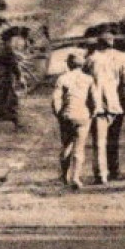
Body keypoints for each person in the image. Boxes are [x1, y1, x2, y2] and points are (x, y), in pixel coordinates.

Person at [86, 31, 125, 184]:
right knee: (113, 140)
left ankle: (100, 174)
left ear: (99, 43)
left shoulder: (90, 60)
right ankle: (114, 171)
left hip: (97, 106)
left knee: (99, 141)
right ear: (113, 43)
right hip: (117, 105)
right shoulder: (122, 58)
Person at [49, 52, 96, 189]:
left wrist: (59, 114)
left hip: (67, 115)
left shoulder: (62, 79)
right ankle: (76, 177)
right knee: (79, 148)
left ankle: (64, 176)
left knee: (66, 146)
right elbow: (94, 100)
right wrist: (91, 114)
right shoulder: (89, 79)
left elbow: (55, 100)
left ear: (69, 64)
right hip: (83, 115)